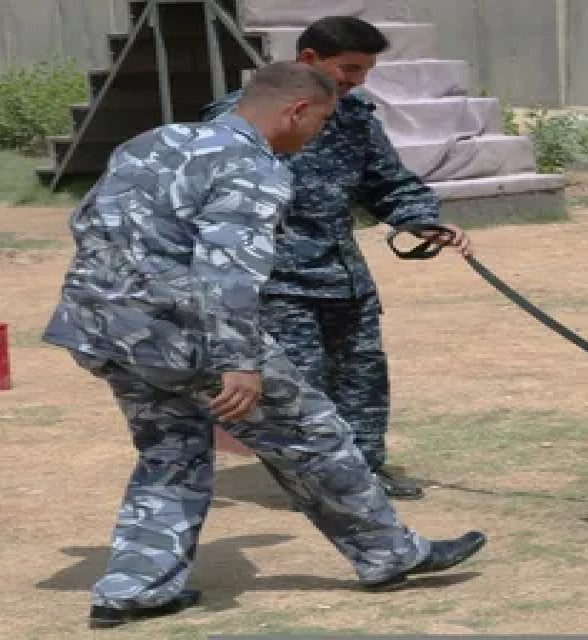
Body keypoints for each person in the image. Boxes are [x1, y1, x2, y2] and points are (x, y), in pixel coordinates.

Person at [42, 61, 486, 630]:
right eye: (321, 122)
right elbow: (229, 275)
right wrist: (238, 362)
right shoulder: (254, 169)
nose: (320, 134)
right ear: (296, 110)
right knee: (314, 435)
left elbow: (87, 223)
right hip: (188, 336)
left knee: (170, 452)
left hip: (102, 328)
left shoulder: (156, 140)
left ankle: (136, 588)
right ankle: (390, 554)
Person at [200, 16, 472, 500]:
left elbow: (388, 183)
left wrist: (420, 218)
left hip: (344, 276)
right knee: (300, 389)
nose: (356, 81)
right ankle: (317, 483)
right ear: (309, 60)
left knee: (363, 378)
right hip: (277, 281)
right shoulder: (237, 121)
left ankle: (365, 470)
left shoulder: (353, 116)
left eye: (365, 72)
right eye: (348, 69)